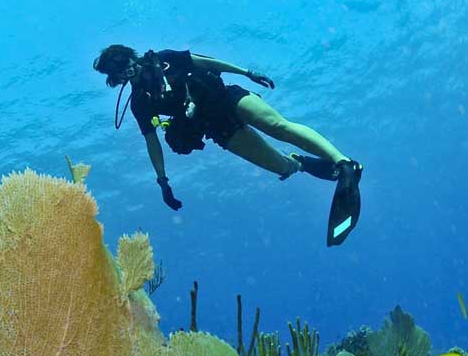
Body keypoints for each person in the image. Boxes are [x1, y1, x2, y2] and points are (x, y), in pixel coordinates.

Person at [92, 45, 364, 245]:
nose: (127, 70)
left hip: (228, 98)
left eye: (124, 62)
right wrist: (162, 181)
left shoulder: (165, 59)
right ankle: (300, 162)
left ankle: (344, 163)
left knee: (278, 126)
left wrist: (247, 73)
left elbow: (208, 63)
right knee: (281, 167)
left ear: (131, 55)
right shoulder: (140, 102)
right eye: (118, 71)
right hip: (217, 128)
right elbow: (152, 142)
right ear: (116, 79)